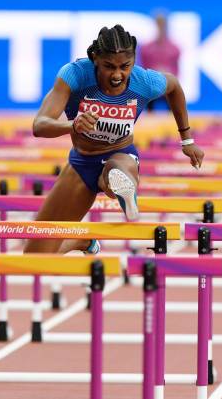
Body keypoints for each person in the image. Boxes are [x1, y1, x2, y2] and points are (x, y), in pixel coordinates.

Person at [24, 24, 204, 256]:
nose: (117, 75)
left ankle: (121, 189)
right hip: (81, 163)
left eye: (124, 67)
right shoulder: (75, 75)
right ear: (95, 58)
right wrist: (72, 125)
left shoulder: (144, 82)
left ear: (133, 62)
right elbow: (39, 126)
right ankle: (83, 242)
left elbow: (175, 87)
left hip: (120, 155)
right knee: (36, 257)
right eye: (109, 67)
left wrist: (187, 140)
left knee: (117, 169)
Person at [139, 12, 180, 112]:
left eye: (162, 24)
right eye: (158, 24)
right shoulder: (146, 48)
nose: (161, 27)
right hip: (152, 86)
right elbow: (143, 69)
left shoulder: (174, 49)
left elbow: (177, 71)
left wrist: (166, 76)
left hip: (168, 85)